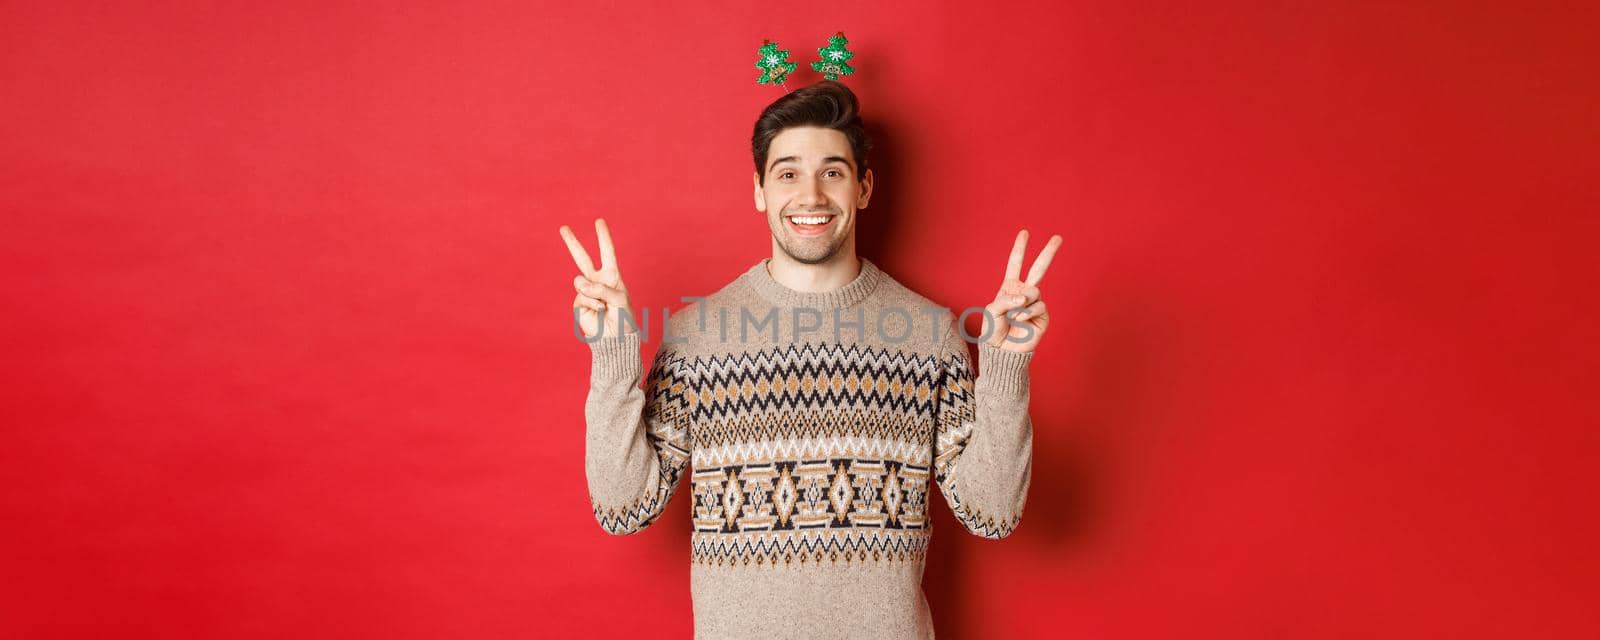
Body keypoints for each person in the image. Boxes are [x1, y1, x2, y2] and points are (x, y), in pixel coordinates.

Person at [558, 80, 1061, 639]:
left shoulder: (928, 335)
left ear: (864, 187)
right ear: (759, 190)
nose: (812, 197)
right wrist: (611, 354)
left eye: (833, 172)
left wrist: (1005, 371)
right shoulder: (696, 338)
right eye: (789, 173)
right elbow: (622, 508)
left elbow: (992, 513)